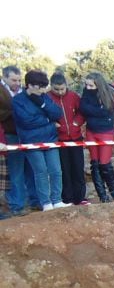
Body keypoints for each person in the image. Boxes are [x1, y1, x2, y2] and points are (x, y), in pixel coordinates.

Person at [11, 70, 66, 211]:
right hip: (31, 142)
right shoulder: (18, 100)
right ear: (29, 85)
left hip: (50, 139)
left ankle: (57, 200)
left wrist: (42, 105)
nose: (42, 89)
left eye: (43, 86)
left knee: (56, 171)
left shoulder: (44, 97)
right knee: (40, 172)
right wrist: (48, 120)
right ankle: (46, 203)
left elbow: (57, 113)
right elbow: (26, 121)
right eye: (39, 86)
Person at [47, 72, 89, 206]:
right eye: (56, 89)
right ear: (51, 86)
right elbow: (43, 115)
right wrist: (52, 124)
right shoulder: (47, 98)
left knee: (78, 167)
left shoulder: (73, 96)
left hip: (76, 137)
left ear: (66, 85)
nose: (59, 92)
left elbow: (82, 112)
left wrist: (76, 123)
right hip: (59, 139)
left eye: (62, 89)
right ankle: (67, 198)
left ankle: (80, 197)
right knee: (64, 169)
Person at [79, 71, 114, 202]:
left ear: (98, 85)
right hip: (91, 131)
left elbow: (105, 111)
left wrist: (91, 111)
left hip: (105, 132)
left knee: (105, 163)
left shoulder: (109, 93)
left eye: (91, 86)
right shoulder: (86, 93)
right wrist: (95, 111)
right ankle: (102, 195)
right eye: (87, 85)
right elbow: (83, 108)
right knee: (95, 163)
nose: (88, 88)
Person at [1, 66, 21, 216]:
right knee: (13, 171)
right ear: (5, 77)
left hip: (22, 134)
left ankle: (22, 201)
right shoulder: (2, 91)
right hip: (7, 134)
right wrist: (14, 112)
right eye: (14, 80)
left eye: (19, 80)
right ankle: (15, 204)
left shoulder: (21, 91)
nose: (17, 83)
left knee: (23, 170)